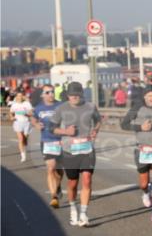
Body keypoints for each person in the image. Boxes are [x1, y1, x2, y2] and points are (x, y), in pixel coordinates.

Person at [51, 81, 102, 227]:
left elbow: (98, 120)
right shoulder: (61, 108)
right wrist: (65, 132)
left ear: (81, 94)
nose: (74, 97)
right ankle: (73, 209)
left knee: (87, 180)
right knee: (72, 183)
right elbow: (51, 128)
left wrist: (95, 130)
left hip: (87, 148)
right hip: (69, 151)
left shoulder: (91, 106)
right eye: (71, 95)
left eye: (77, 94)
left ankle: (84, 214)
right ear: (67, 95)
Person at [121, 87, 152, 221]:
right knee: (143, 183)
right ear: (144, 97)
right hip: (142, 150)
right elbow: (123, 124)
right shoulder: (137, 108)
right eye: (149, 96)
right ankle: (146, 192)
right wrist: (140, 127)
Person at [31, 84, 64, 207]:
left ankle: (58, 184)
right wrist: (36, 125)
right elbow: (33, 119)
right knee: (50, 168)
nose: (51, 94)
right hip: (46, 141)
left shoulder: (60, 105)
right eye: (48, 92)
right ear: (42, 95)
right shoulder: (39, 108)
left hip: (60, 141)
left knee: (60, 171)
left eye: (52, 92)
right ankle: (54, 197)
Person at [9, 91, 33, 162]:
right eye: (18, 96)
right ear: (16, 97)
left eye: (21, 96)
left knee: (25, 139)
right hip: (17, 122)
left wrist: (27, 114)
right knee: (20, 139)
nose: (19, 97)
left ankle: (25, 142)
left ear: (23, 97)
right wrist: (11, 117)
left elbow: (31, 113)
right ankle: (23, 155)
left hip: (26, 123)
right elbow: (11, 113)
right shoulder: (14, 105)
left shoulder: (27, 104)